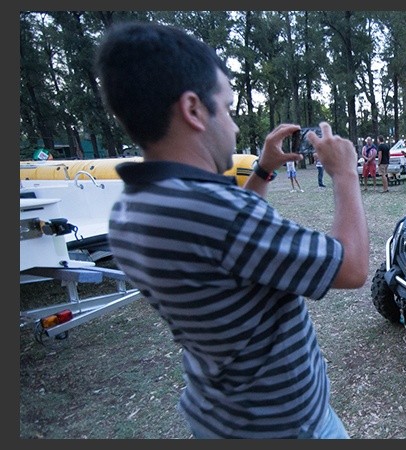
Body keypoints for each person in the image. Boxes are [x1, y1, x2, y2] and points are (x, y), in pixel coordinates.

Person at [94, 21, 369, 439]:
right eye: (226, 108)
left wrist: (261, 171)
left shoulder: (132, 208)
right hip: (286, 426)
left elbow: (230, 253)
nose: (235, 125)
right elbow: (351, 269)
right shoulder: (215, 212)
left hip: (220, 415)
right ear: (193, 110)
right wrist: (346, 173)